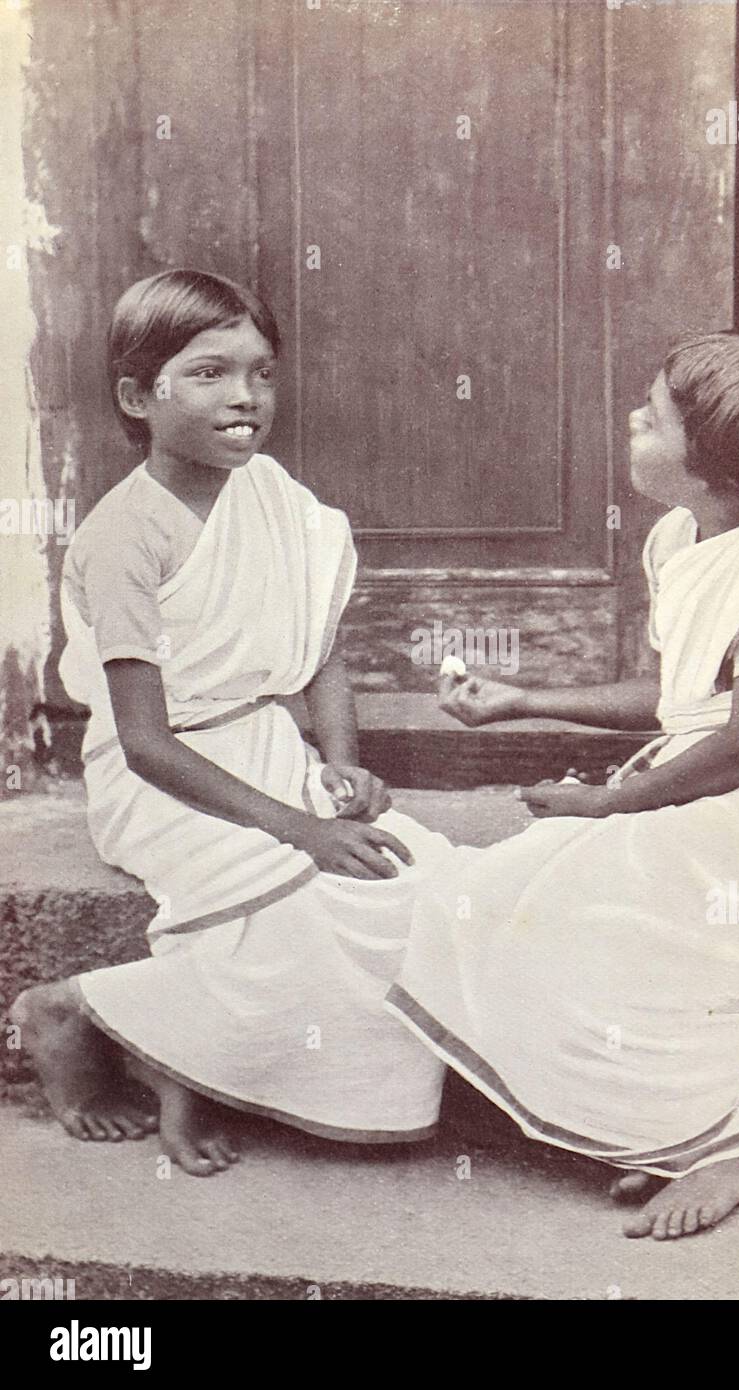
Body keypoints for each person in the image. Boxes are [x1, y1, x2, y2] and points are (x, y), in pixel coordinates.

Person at [386, 332, 739, 1239]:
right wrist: (523, 700)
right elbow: (678, 699)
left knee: (626, 893)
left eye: (653, 416)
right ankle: (654, 1117)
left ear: (712, 471)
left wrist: (611, 803)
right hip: (730, 768)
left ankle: (727, 1140)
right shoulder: (685, 535)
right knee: (520, 882)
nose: (632, 417)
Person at [13, 269, 454, 1175]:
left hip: (265, 746)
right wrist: (299, 829)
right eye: (210, 373)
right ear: (140, 395)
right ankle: (81, 1013)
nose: (246, 397)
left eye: (262, 372)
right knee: (295, 902)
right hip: (161, 777)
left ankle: (190, 1050)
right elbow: (143, 742)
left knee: (417, 880)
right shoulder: (124, 537)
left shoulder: (276, 500)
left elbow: (318, 653)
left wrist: (338, 766)